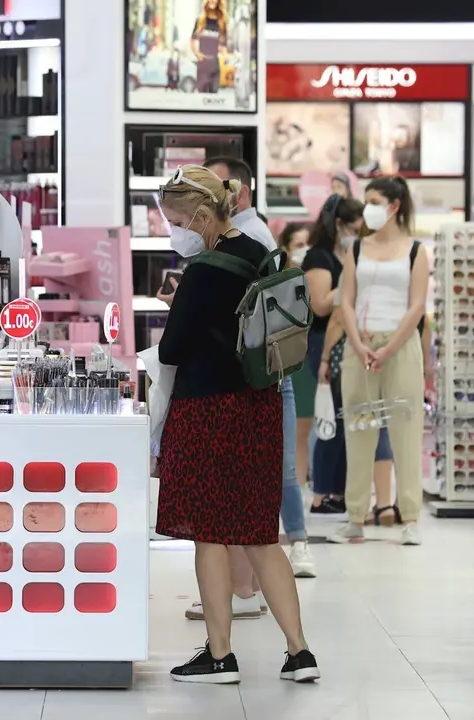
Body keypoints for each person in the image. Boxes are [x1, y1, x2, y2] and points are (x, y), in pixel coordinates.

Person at [153, 165, 318, 684]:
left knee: (210, 535)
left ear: (200, 216)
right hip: (259, 408)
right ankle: (299, 652)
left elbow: (172, 348)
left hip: (209, 411)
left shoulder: (203, 271)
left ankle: (220, 655)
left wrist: (181, 308)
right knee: (260, 534)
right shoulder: (259, 253)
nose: (173, 230)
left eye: (177, 220)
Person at [206, 156, 314, 577]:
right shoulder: (240, 234)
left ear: (240, 191)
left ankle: (294, 547)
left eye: (211, 186)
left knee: (272, 471)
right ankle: (255, 575)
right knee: (262, 473)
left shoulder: (247, 235)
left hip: (259, 372)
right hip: (259, 370)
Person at [331, 176, 428, 546]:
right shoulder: (355, 249)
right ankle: (355, 515)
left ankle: (411, 516)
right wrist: (358, 345)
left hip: (400, 347)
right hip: (361, 346)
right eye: (365, 200)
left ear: (394, 206)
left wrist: (388, 349)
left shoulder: (416, 250)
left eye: (374, 200)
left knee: (406, 430)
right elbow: (346, 302)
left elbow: (417, 306)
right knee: (358, 431)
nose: (367, 207)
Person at [300, 195, 364, 515]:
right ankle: (322, 492)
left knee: (342, 420)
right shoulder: (319, 257)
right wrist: (352, 285)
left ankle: (337, 491)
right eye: (354, 227)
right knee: (330, 420)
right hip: (323, 341)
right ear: (339, 225)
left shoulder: (344, 255)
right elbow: (319, 304)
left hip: (344, 342)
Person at [279, 223, 315, 492]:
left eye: (307, 244)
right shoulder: (282, 282)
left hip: (313, 355)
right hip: (293, 359)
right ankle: (298, 485)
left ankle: (304, 484)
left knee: (311, 425)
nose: (304, 250)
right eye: (298, 244)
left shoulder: (317, 276)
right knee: (297, 429)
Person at [191, 0, 226, 94]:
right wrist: (197, 54)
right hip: (203, 65)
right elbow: (192, 39)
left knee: (213, 97)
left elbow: (224, 43)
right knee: (202, 97)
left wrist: (223, 52)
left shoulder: (221, 22)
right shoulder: (200, 21)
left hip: (215, 64)